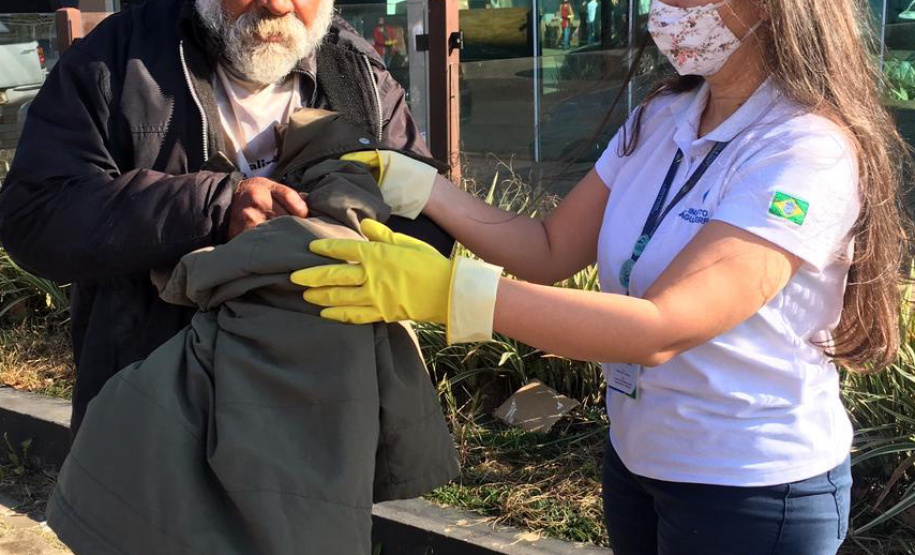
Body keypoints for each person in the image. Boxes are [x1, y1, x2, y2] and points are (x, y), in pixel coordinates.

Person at [290, 0, 911, 553]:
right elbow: (549, 246)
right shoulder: (662, 117)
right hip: (636, 463)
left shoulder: (805, 149)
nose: (666, 8)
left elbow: (664, 328)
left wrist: (447, 291)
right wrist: (419, 185)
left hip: (750, 486)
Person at [0, 0, 451, 436]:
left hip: (321, 419)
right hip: (152, 413)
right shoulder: (118, 60)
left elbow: (429, 221)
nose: (277, 5)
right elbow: (35, 216)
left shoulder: (356, 74)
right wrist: (216, 206)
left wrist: (332, 221)